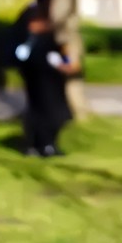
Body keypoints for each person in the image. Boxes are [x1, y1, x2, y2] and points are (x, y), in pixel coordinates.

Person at [16, 13, 77, 157]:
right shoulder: (30, 41)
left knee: (49, 117)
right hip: (39, 85)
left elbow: (61, 58)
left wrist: (65, 64)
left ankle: (46, 145)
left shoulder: (46, 41)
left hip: (49, 85)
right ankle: (39, 145)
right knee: (41, 117)